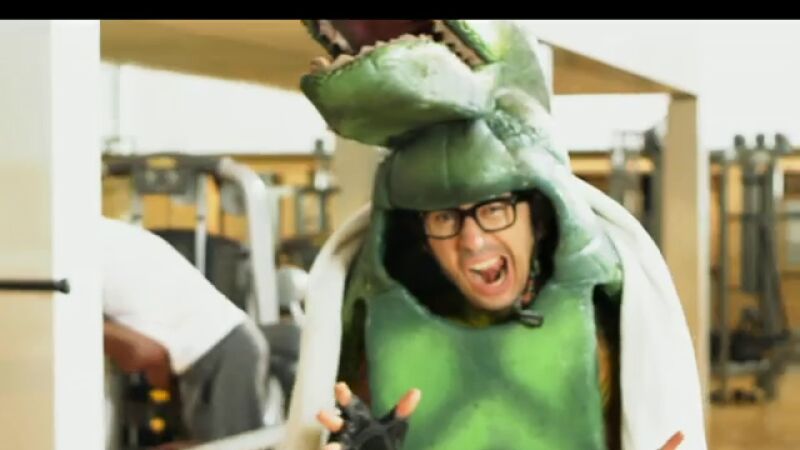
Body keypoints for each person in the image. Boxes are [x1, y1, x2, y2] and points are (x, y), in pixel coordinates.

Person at [281, 19, 707, 450]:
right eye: (443, 218)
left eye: (494, 210)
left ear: (539, 218)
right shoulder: (382, 324)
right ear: (421, 235)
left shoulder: (604, 328)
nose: (472, 240)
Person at [101, 217, 268, 442]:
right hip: (211, 351)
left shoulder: (78, 246)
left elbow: (146, 353)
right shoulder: (93, 238)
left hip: (221, 347)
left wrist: (85, 329)